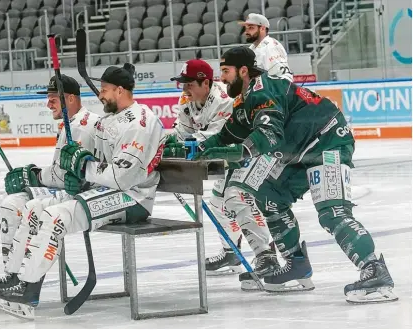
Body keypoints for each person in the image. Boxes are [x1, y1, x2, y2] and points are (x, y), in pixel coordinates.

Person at [196, 46, 397, 303]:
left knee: (332, 212)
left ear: (243, 71)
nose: (221, 79)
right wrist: (195, 148)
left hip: (327, 141)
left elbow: (268, 135)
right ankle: (296, 265)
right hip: (299, 151)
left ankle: (374, 270)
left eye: (225, 71)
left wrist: (237, 151)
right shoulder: (245, 100)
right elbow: (227, 135)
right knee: (269, 196)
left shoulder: (263, 90)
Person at [0, 63, 166, 319]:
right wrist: (78, 177)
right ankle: (17, 279)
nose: (100, 95)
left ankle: (28, 292)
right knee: (35, 208)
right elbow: (97, 167)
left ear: (121, 90)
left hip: (133, 198)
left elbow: (121, 177)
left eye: (104, 90)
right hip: (109, 191)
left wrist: (83, 166)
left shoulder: (140, 123)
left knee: (54, 217)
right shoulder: (109, 119)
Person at [0, 75, 99, 299]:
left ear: (69, 98)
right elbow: (59, 172)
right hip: (63, 190)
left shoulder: (83, 127)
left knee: (32, 209)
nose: (48, 104)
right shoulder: (69, 124)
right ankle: (13, 275)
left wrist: (33, 176)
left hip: (79, 194)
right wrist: (32, 176)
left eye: (52, 98)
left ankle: (27, 284)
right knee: (10, 205)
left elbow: (68, 177)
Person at [167, 59, 277, 280]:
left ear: (205, 83)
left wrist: (185, 143)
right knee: (218, 201)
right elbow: (182, 132)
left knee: (237, 196)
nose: (184, 88)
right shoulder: (186, 100)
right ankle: (231, 252)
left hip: (253, 151)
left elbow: (219, 138)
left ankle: (267, 254)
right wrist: (166, 142)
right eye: (183, 83)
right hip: (230, 156)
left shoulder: (224, 99)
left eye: (189, 83)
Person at [240, 13, 293, 81]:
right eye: (246, 28)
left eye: (251, 28)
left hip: (274, 90)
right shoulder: (252, 48)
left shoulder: (271, 47)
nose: (246, 32)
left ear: (262, 28)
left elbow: (283, 78)